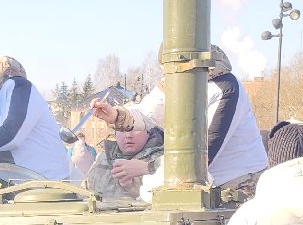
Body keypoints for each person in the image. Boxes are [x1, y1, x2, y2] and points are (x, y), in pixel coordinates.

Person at [93, 44, 266, 193]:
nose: (166, 74)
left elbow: (200, 154)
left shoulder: (225, 89)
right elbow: (147, 113)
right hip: (201, 185)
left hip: (239, 184)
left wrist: (147, 168)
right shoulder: (174, 82)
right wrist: (115, 115)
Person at [86, 126, 164, 201]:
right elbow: (84, 195)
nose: (128, 135)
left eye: (136, 129)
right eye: (122, 129)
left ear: (149, 131)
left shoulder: (163, 162)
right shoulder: (103, 158)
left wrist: (134, 190)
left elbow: (166, 201)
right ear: (115, 132)